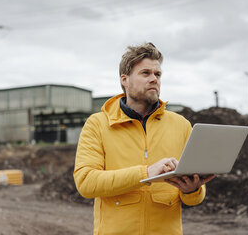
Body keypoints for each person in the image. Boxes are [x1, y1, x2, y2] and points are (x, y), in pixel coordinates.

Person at [74, 42, 215, 234]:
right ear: (125, 79)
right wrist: (145, 174)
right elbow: (86, 182)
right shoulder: (98, 124)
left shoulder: (181, 125)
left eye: (157, 74)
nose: (154, 79)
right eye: (145, 73)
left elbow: (194, 198)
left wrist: (192, 190)